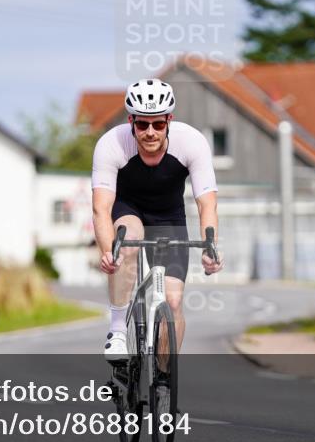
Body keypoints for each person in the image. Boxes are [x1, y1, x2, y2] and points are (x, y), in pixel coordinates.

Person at [91, 78, 224, 360]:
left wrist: (210, 248)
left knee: (173, 302)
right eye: (142, 124)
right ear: (131, 121)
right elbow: (101, 208)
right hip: (128, 209)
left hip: (168, 216)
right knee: (127, 243)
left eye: (158, 124)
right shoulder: (111, 144)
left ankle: (163, 378)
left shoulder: (191, 142)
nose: (150, 132)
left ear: (169, 121)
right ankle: (117, 331)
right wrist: (108, 252)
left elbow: (207, 203)